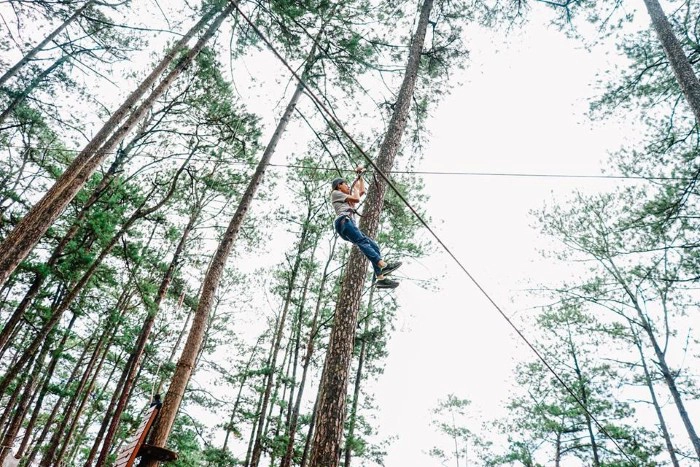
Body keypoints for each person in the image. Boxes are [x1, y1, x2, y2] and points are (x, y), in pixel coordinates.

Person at [331, 166, 401, 289]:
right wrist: (356, 188)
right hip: (343, 222)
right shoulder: (336, 194)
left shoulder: (346, 200)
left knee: (374, 246)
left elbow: (361, 192)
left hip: (347, 225)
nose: (348, 186)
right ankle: (383, 265)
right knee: (362, 241)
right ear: (339, 186)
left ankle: (380, 278)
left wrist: (360, 177)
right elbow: (357, 198)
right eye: (345, 184)